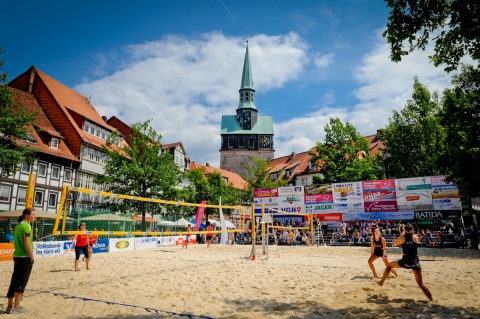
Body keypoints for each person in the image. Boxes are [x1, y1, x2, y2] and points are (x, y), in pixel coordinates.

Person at [376, 224, 433, 301]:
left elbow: (394, 244)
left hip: (405, 261)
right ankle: (432, 299)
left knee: (389, 265)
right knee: (421, 285)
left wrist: (401, 236)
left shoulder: (402, 237)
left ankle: (381, 282)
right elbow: (413, 242)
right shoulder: (415, 237)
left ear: (405, 230)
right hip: (415, 262)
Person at [6, 208, 36, 314]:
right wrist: (32, 256)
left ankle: (9, 307)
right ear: (26, 215)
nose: (34, 216)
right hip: (24, 257)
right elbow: (27, 244)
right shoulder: (26, 226)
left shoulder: (18, 226)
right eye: (33, 214)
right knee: (21, 282)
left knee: (14, 280)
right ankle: (17, 308)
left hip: (17, 256)